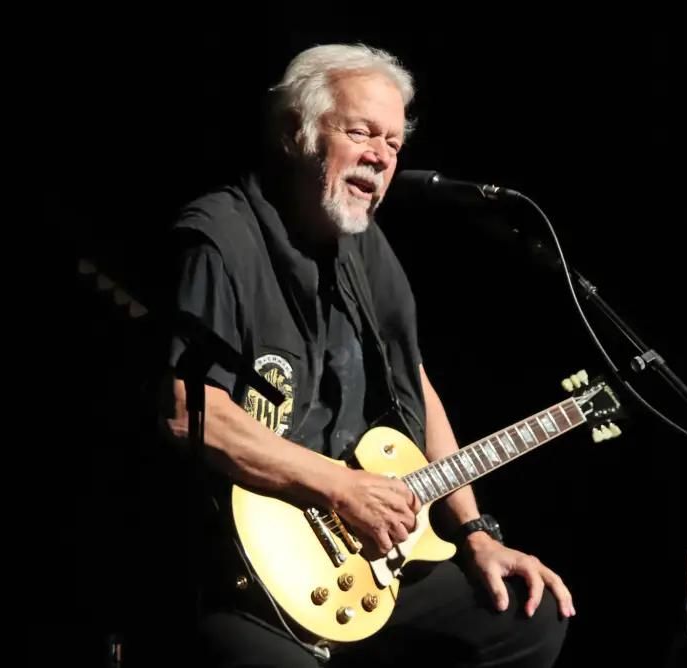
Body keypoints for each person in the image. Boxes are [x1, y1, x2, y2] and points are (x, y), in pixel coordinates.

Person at [156, 43, 572, 668]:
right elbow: (188, 410)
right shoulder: (220, 239)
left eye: (395, 144)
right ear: (299, 133)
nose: (381, 157)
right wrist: (340, 487)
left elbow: (415, 384)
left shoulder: (367, 248)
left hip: (362, 555)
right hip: (240, 572)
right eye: (361, 133)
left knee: (525, 619)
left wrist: (475, 532)